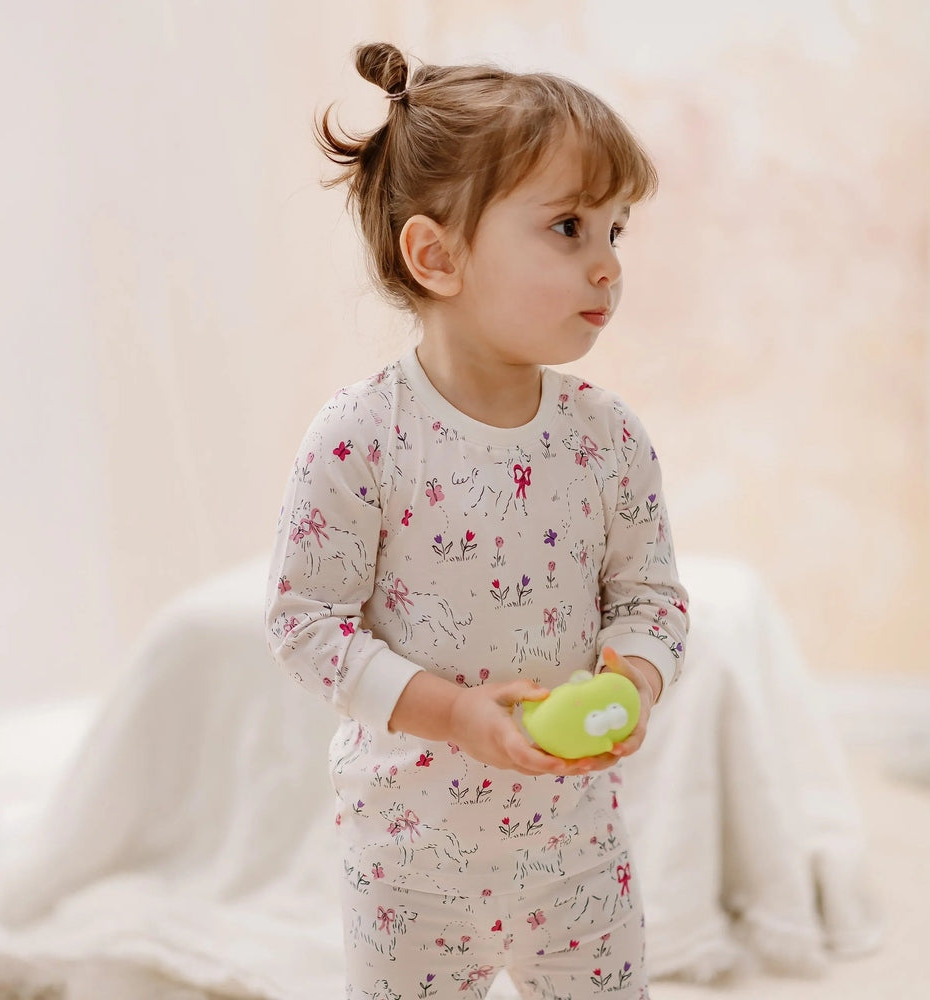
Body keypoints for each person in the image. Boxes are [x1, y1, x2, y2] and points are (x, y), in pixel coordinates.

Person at [265, 41, 690, 1000]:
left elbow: (653, 600)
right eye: (570, 227)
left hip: (576, 852)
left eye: (616, 231)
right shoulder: (361, 438)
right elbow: (305, 626)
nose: (607, 266)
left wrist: (635, 678)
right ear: (437, 255)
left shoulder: (608, 438)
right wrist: (454, 714)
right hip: (411, 865)